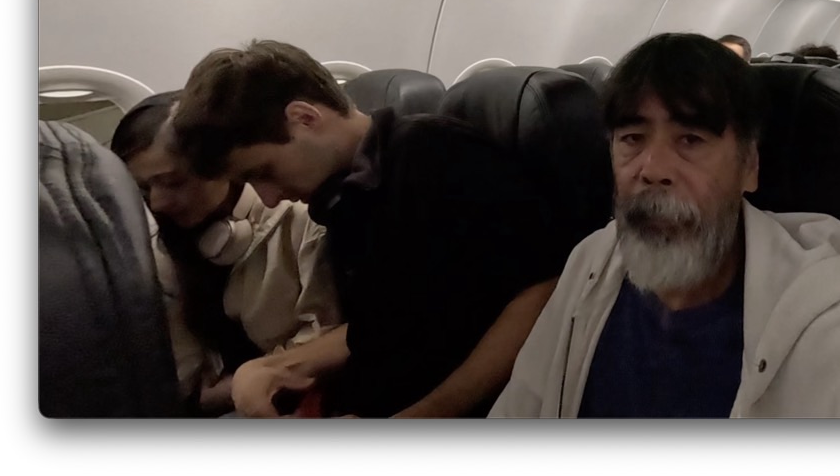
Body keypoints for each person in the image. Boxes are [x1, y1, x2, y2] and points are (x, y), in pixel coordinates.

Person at [489, 33, 840, 418]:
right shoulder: (592, 264)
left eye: (691, 139)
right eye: (632, 138)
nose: (652, 168)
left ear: (749, 167)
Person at [169, 40, 570, 418]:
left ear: (304, 118)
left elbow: (538, 292)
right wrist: (280, 366)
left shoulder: (436, 156)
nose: (270, 199)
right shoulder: (346, 195)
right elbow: (391, 324)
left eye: (265, 172)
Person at [110, 92, 341, 415]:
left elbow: (327, 336)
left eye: (174, 182)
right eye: (145, 189)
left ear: (223, 168)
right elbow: (184, 375)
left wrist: (239, 385)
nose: (158, 202)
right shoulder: (156, 244)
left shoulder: (299, 218)